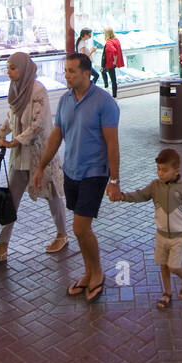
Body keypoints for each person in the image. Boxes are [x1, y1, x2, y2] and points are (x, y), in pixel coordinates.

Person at [33, 53, 120, 304]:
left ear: (86, 73)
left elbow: (112, 144)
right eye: (66, 70)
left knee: (80, 228)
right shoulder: (65, 101)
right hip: (70, 171)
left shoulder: (104, 102)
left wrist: (114, 180)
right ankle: (89, 272)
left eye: (72, 71)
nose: (67, 75)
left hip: (95, 172)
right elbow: (56, 135)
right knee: (82, 231)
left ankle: (98, 273)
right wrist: (41, 166)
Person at [0, 52, 69, 264]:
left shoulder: (37, 89)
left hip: (40, 153)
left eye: (13, 67)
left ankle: (62, 234)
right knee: (11, 201)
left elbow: (38, 123)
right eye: (8, 67)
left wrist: (15, 141)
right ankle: (2, 246)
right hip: (20, 155)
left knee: (52, 194)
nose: (9, 71)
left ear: (24, 68)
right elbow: (10, 117)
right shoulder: (14, 89)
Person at [114, 148, 182, 310]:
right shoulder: (155, 186)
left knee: (173, 266)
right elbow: (140, 195)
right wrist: (123, 196)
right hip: (160, 236)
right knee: (163, 265)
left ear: (176, 170)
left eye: (165, 170)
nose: (160, 173)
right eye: (158, 169)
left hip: (178, 236)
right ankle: (167, 293)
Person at [100, 28, 124, 98]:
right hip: (111, 64)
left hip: (109, 63)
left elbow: (114, 51)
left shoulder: (108, 42)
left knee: (113, 80)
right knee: (104, 73)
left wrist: (114, 61)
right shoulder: (116, 40)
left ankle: (112, 94)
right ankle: (111, 92)